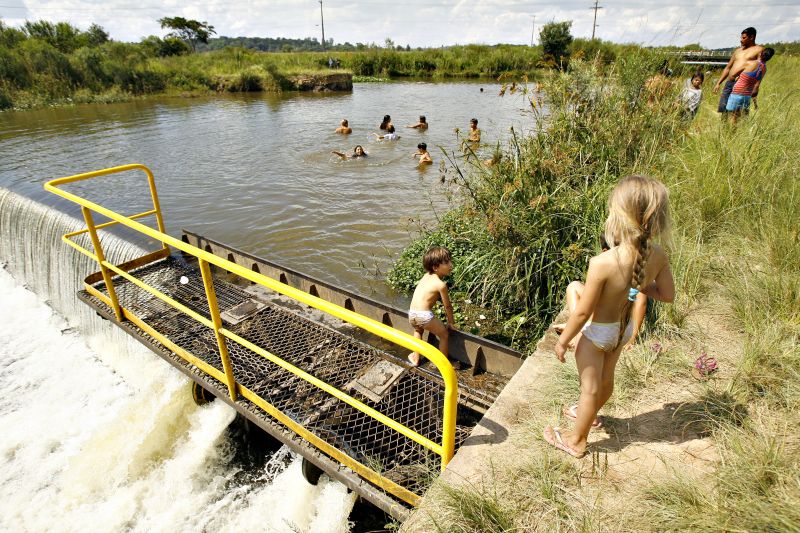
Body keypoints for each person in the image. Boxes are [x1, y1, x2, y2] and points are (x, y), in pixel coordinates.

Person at [543, 175, 675, 458]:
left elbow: (582, 312)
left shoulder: (602, 262)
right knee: (606, 382)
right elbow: (667, 295)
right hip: (623, 330)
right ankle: (587, 416)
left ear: (620, 217)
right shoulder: (658, 255)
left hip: (598, 334)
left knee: (589, 389)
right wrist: (639, 285)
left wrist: (563, 341)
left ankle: (577, 440)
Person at [407, 246, 457, 367]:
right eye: (446, 263)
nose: (451, 265)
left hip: (411, 314)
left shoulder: (425, 276)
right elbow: (448, 306)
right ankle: (445, 365)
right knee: (444, 335)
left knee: (418, 330)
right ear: (435, 267)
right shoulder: (440, 284)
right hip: (424, 316)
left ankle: (415, 358)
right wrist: (451, 322)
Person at [713, 27, 764, 117]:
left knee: (739, 111)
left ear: (752, 37)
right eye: (741, 37)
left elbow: (761, 68)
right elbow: (728, 68)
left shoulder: (759, 50)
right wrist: (718, 83)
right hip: (729, 83)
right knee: (724, 108)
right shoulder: (737, 51)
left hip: (743, 84)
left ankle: (739, 126)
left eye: (744, 38)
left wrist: (756, 85)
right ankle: (724, 126)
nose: (741, 40)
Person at [726, 47, 775, 124]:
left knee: (733, 117)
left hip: (737, 93)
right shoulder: (764, 69)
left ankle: (731, 132)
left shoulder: (750, 63)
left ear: (760, 53)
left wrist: (737, 77)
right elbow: (756, 86)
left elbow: (732, 75)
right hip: (747, 96)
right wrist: (755, 102)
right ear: (770, 58)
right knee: (742, 118)